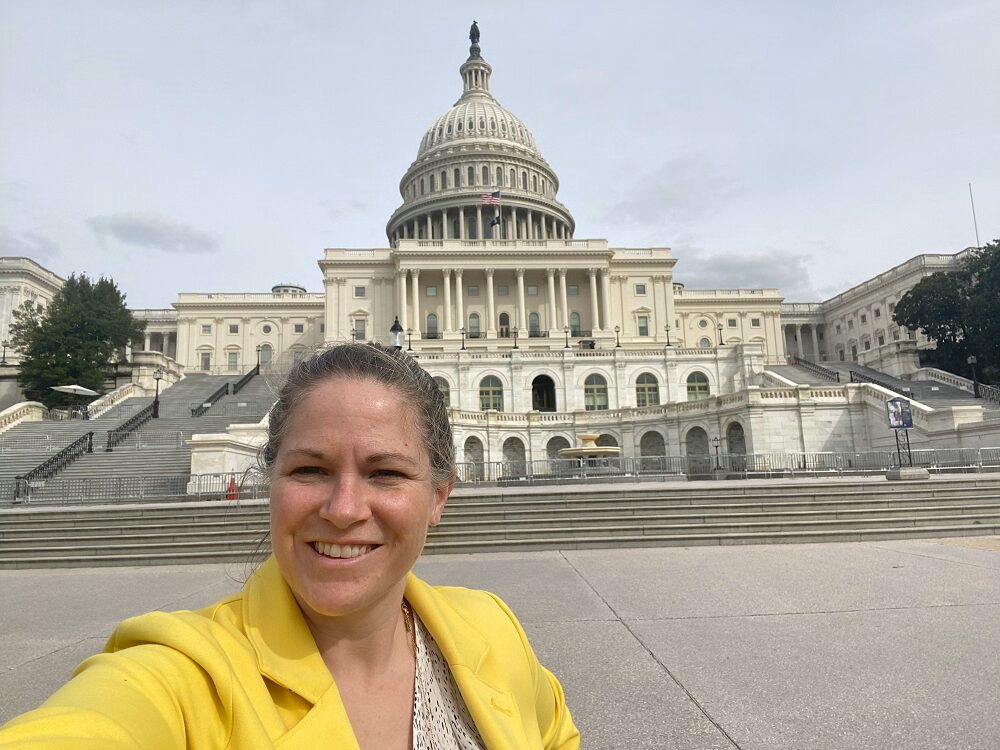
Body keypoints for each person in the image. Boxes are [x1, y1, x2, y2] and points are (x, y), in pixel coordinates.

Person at [0, 343, 580, 749]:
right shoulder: (181, 674)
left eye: (386, 473)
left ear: (438, 497)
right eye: (309, 469)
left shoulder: (494, 630)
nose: (345, 509)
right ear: (268, 479)